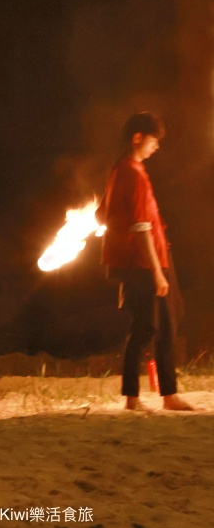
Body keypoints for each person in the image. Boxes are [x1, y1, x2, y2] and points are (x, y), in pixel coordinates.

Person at [97, 112, 193, 412]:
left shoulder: (122, 169)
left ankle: (142, 396)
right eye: (154, 140)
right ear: (138, 137)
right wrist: (157, 273)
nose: (157, 146)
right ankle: (160, 396)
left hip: (144, 260)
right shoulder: (132, 173)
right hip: (145, 262)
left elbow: (102, 214)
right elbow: (140, 227)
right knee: (156, 325)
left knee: (157, 323)